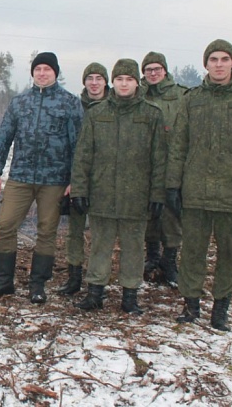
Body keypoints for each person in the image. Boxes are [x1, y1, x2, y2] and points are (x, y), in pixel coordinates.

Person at [166, 40, 232, 331]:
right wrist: (173, 185)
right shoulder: (192, 99)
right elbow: (178, 145)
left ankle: (221, 307)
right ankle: (190, 304)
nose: (219, 64)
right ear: (206, 63)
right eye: (214, 59)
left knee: (229, 253)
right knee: (192, 252)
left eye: (225, 59)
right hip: (196, 190)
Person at [0, 52, 83, 304]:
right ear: (32, 73)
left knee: (47, 231)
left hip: (55, 179)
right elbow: (4, 137)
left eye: (47, 69)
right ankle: (3, 280)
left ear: (55, 73)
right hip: (21, 176)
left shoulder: (69, 103)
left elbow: (79, 144)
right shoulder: (20, 102)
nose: (42, 73)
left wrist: (75, 178)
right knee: (6, 225)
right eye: (38, 69)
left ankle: (38, 284)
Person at [70, 59, 166, 314]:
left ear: (137, 82)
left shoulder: (151, 115)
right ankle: (95, 293)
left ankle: (130, 296)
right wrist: (79, 190)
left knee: (134, 249)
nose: (124, 84)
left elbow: (159, 159)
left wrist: (158, 194)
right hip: (102, 193)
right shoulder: (97, 113)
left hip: (136, 196)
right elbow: (83, 156)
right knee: (100, 246)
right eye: (120, 79)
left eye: (129, 79)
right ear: (114, 82)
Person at [58, 62, 109, 296]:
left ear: (106, 82)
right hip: (77, 178)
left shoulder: (114, 108)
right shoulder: (74, 106)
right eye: (90, 78)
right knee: (74, 230)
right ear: (85, 82)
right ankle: (74, 277)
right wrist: (70, 179)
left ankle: (97, 281)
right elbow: (67, 144)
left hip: (105, 180)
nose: (95, 83)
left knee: (101, 234)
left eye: (99, 78)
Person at [140, 52, 188, 287]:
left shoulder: (181, 95)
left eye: (157, 68)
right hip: (143, 166)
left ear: (165, 70)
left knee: (171, 216)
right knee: (149, 214)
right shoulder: (138, 93)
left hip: (171, 165)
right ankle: (151, 257)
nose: (152, 73)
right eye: (148, 69)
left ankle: (169, 261)